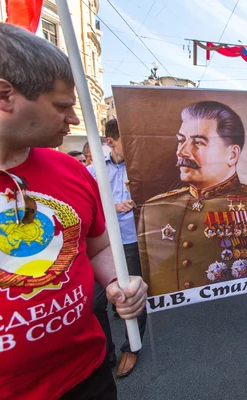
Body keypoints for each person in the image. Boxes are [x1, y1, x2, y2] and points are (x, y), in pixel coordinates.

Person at [0, 22, 147, 399]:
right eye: (61, 106)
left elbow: (98, 246)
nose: (73, 118)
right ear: (4, 96)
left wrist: (117, 282)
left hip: (88, 376)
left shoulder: (73, 172)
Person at [137, 101, 247, 295]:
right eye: (181, 140)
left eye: (198, 142)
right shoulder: (154, 209)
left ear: (232, 154)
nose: (182, 152)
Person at [87, 119, 147, 378]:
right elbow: (85, 207)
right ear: (110, 142)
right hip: (102, 243)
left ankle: (131, 346)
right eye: (127, 139)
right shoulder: (92, 171)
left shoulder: (140, 168)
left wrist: (141, 194)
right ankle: (106, 351)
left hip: (133, 240)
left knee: (133, 295)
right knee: (95, 302)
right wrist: (112, 209)